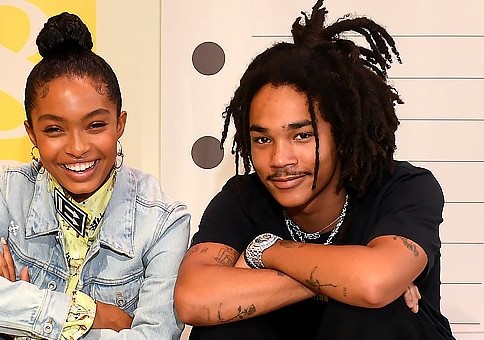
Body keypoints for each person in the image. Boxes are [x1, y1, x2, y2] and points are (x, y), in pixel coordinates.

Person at [174, 1, 455, 339]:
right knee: (222, 327)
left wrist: (266, 252)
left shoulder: (404, 187)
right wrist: (341, 278)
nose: (280, 159)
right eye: (262, 140)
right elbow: (192, 299)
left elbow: (373, 284)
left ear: (341, 132)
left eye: (302, 135)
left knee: (369, 313)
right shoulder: (243, 198)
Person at [0, 12, 190, 340]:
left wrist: (17, 315)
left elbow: (154, 337)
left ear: (119, 124)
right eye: (54, 129)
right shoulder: (13, 191)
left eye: (96, 125)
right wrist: (90, 314)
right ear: (32, 133)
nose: (78, 147)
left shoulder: (163, 221)